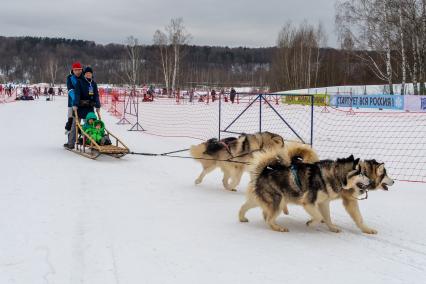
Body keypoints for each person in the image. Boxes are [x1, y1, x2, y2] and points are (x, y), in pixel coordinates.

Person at [67, 66, 101, 149]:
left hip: (89, 108)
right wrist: (75, 104)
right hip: (80, 107)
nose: (88, 74)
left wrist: (98, 105)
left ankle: (93, 141)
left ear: (92, 74)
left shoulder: (93, 83)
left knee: (92, 125)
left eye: (90, 73)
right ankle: (70, 143)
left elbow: (96, 95)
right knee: (75, 125)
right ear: (84, 74)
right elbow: (77, 94)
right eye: (87, 73)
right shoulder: (80, 82)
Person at [64, 62, 84, 148]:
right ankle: (70, 141)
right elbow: (70, 91)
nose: (78, 72)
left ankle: (90, 140)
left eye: (79, 70)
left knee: (89, 121)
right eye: (76, 70)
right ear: (73, 70)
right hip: (72, 104)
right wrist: (77, 100)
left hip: (84, 103)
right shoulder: (70, 78)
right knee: (71, 121)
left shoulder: (84, 77)